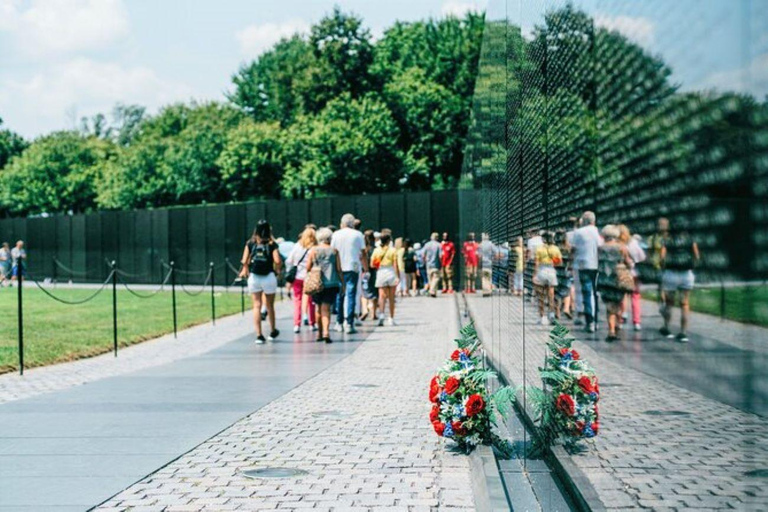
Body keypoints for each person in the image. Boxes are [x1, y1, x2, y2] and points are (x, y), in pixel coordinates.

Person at [239, 221, 281, 344]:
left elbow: (244, 260)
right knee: (270, 305)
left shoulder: (250, 243)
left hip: (254, 277)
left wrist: (245, 268)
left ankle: (259, 335)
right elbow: (277, 260)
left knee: (256, 305)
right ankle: (272, 331)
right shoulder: (272, 244)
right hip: (268, 276)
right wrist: (278, 270)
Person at [660, 226, 699, 342]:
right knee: (685, 304)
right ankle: (683, 332)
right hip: (686, 274)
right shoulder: (690, 239)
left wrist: (664, 268)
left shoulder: (667, 240)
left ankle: (666, 327)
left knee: (669, 303)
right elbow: (696, 256)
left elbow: (662, 257)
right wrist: (692, 266)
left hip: (671, 273)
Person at [331, 213, 368, 334]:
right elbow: (363, 253)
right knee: (351, 294)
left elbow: (333, 251)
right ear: (352, 224)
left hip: (339, 267)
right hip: (353, 266)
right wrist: (366, 268)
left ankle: (339, 322)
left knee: (340, 294)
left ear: (342, 223)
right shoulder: (358, 234)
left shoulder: (336, 234)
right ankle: (349, 323)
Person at [306, 228, 344, 344]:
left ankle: (319, 333)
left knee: (318, 308)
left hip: (317, 283)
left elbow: (308, 267)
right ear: (329, 238)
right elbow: (338, 269)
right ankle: (326, 333)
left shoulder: (313, 251)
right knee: (326, 308)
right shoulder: (334, 251)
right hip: (331, 283)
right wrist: (343, 283)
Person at [598, 225, 633, 342]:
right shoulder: (622, 248)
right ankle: (618, 325)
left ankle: (611, 330)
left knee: (609, 306)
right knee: (618, 304)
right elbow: (628, 262)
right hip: (618, 279)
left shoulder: (600, 248)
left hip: (605, 280)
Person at [572, 212, 602, 333]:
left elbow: (573, 249)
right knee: (595, 293)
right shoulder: (597, 232)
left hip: (582, 265)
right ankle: (596, 321)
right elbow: (600, 247)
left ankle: (589, 321)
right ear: (593, 221)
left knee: (586, 292)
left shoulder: (578, 232)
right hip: (596, 265)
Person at [286, 228, 317, 334]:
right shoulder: (315, 248)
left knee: (297, 300)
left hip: (298, 277)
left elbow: (289, 260)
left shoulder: (297, 246)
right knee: (311, 301)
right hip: (310, 276)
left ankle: (296, 324)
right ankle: (312, 323)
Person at [619, 225, 646, 331]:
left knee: (623, 296)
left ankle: (622, 317)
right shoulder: (634, 243)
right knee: (635, 296)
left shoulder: (619, 245)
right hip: (635, 273)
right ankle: (636, 321)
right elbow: (642, 257)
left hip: (623, 273)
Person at [372, 231, 399, 326]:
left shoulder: (376, 250)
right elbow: (395, 264)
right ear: (389, 240)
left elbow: (372, 264)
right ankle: (391, 318)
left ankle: (381, 315)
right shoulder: (393, 250)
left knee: (381, 296)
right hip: (391, 271)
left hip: (381, 272)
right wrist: (397, 276)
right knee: (391, 297)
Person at [534, 232, 562, 324]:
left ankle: (541, 317)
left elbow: (536, 263)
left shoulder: (539, 249)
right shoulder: (555, 248)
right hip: (551, 271)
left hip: (541, 271)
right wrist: (552, 261)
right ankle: (551, 315)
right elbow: (559, 262)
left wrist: (534, 274)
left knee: (541, 296)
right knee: (551, 295)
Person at [360, 229, 379, 321]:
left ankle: (364, 309)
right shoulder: (376, 249)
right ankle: (373, 313)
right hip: (374, 271)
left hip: (364, 272)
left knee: (364, 292)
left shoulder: (363, 249)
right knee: (375, 291)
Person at [555, 230, 573, 319]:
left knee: (557, 292)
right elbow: (572, 259)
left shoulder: (555, 248)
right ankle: (566, 308)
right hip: (567, 272)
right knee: (567, 291)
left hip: (557, 272)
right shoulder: (569, 248)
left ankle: (557, 311)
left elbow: (554, 262)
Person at [422, 233, 442, 297]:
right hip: (436, 264)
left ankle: (433, 292)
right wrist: (441, 264)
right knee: (436, 278)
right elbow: (440, 256)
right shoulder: (439, 245)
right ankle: (432, 290)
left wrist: (424, 262)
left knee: (430, 279)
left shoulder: (426, 244)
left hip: (428, 264)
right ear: (437, 238)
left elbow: (423, 255)